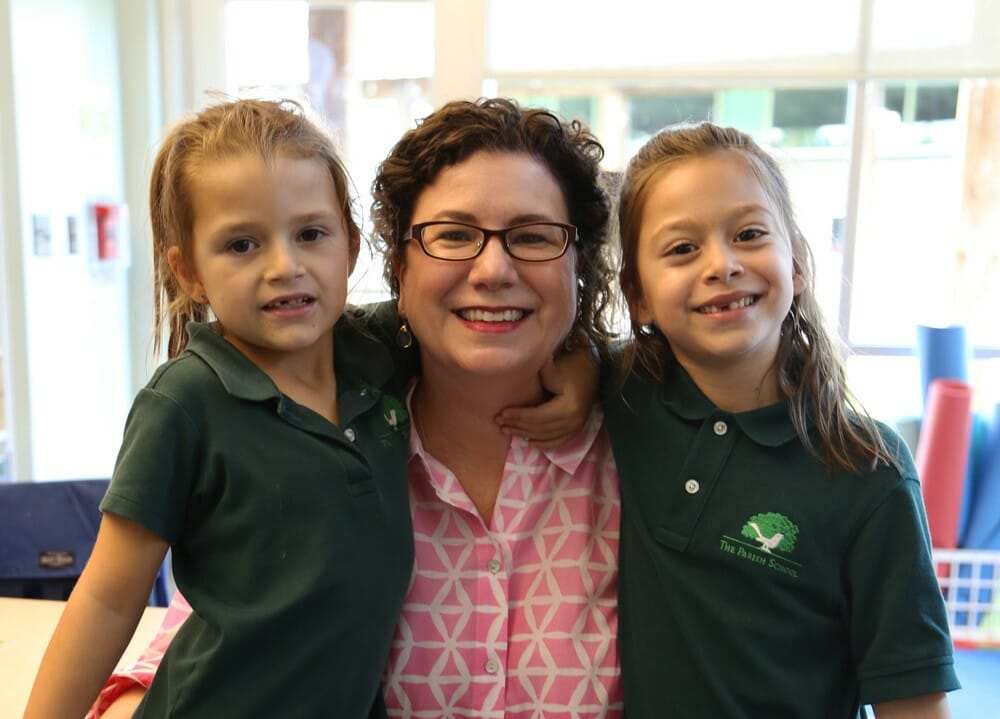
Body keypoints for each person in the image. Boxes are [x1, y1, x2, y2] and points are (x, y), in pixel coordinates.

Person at [90, 97, 624, 719]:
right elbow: (230, 607)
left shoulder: (639, 436)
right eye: (453, 235)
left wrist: (589, 356)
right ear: (396, 261)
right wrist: (130, 693)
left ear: (579, 264)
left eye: (533, 237)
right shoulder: (328, 425)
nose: (493, 269)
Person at [26, 98, 414, 718]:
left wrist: (579, 369)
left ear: (351, 243)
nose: (285, 267)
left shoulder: (382, 351)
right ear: (189, 273)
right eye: (242, 245)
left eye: (311, 234)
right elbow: (106, 599)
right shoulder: (183, 404)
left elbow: (487, 337)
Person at [604, 121, 960, 717]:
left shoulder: (865, 467)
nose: (722, 264)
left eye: (747, 234)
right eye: (682, 248)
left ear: (796, 264)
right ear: (637, 295)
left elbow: (914, 700)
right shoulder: (616, 397)